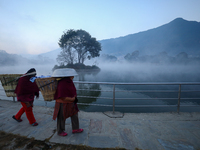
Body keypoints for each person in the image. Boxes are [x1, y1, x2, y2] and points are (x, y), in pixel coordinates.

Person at [52, 68, 83, 136]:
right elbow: (61, 96)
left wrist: (73, 98)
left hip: (71, 102)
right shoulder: (62, 83)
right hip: (62, 103)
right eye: (72, 75)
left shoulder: (69, 82)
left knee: (74, 114)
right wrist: (72, 99)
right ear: (68, 76)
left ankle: (75, 128)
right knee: (61, 117)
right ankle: (60, 131)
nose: (73, 77)